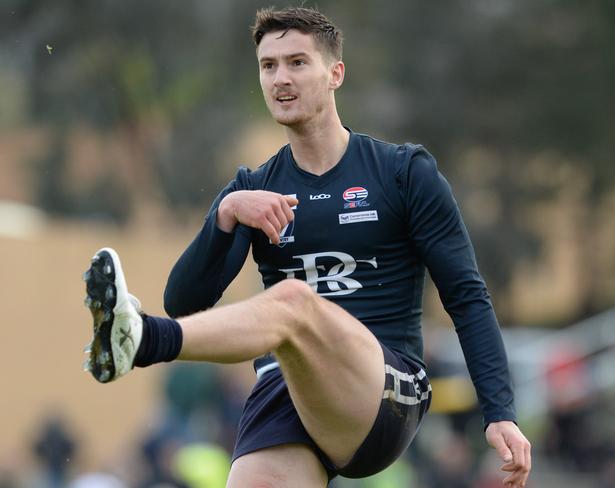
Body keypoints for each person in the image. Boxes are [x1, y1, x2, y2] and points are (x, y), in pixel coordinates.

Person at [82, 6, 531, 487]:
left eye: (297, 62)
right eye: (268, 65)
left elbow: (466, 295)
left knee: (294, 302)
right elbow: (185, 303)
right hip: (286, 393)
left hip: (384, 391)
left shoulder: (403, 173)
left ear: (335, 73)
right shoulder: (253, 189)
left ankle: (143, 340)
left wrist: (499, 411)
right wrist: (226, 215)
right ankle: (137, 339)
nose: (281, 78)